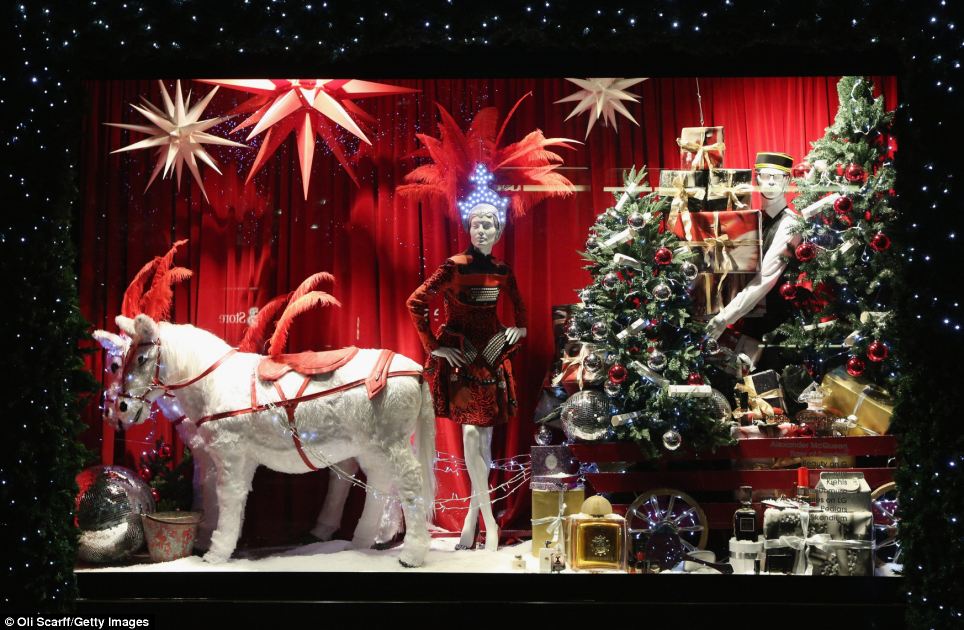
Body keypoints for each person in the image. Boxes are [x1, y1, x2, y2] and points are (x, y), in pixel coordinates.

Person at [406, 165, 527, 551]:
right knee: (472, 436)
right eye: (476, 225)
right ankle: (489, 524)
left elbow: (522, 313)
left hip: (491, 357)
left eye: (488, 226)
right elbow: (416, 301)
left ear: (498, 230)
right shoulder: (454, 267)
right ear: (469, 228)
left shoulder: (503, 271)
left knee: (485, 445)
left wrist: (518, 330)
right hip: (463, 359)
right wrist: (433, 345)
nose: (481, 231)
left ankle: (469, 527)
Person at [706, 152, 838, 342]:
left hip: (776, 324)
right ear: (757, 179)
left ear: (787, 180)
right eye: (765, 176)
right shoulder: (752, 219)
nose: (770, 182)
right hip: (746, 316)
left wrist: (725, 317)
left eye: (777, 177)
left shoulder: (790, 225)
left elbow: (765, 278)